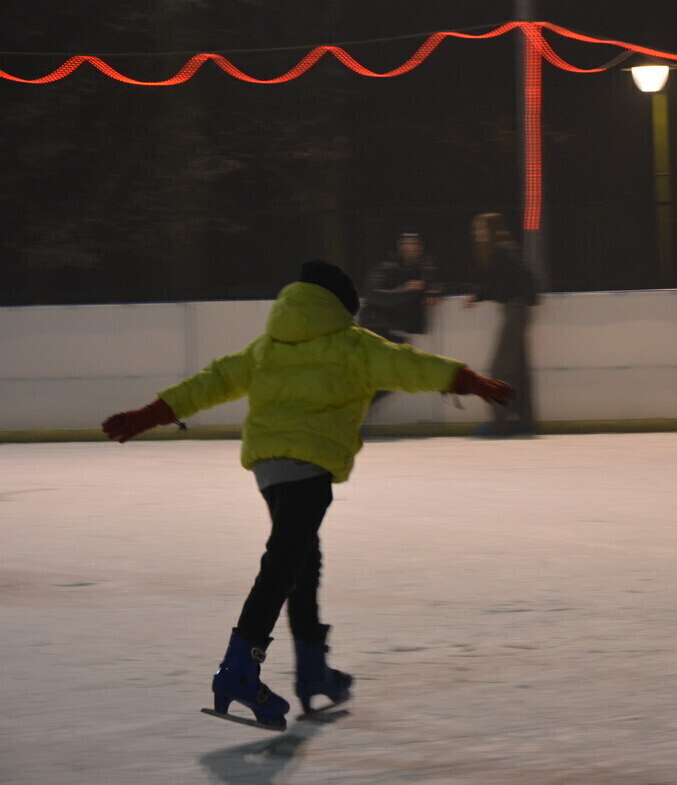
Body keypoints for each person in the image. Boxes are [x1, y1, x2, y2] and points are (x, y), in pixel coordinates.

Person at [101, 260, 512, 730]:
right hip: (310, 467)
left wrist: (146, 415)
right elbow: (408, 366)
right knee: (283, 563)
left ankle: (313, 670)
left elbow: (211, 381)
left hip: (269, 469)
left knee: (301, 561)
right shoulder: (352, 345)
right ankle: (239, 669)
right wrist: (467, 379)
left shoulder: (266, 348)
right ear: (340, 307)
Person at [465, 212, 539, 436]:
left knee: (500, 368)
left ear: (492, 230)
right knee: (518, 369)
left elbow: (520, 280)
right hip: (517, 308)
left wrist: (521, 301)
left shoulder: (503, 250)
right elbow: (506, 283)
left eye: (481, 229)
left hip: (515, 310)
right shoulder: (504, 250)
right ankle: (525, 421)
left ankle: (500, 423)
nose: (477, 233)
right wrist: (479, 295)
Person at [358, 231, 442, 345]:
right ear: (399, 247)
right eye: (406, 244)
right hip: (377, 323)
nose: (411, 248)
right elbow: (373, 294)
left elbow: (436, 282)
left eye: (415, 244)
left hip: (399, 324)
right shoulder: (386, 267)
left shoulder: (425, 266)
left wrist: (432, 291)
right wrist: (405, 289)